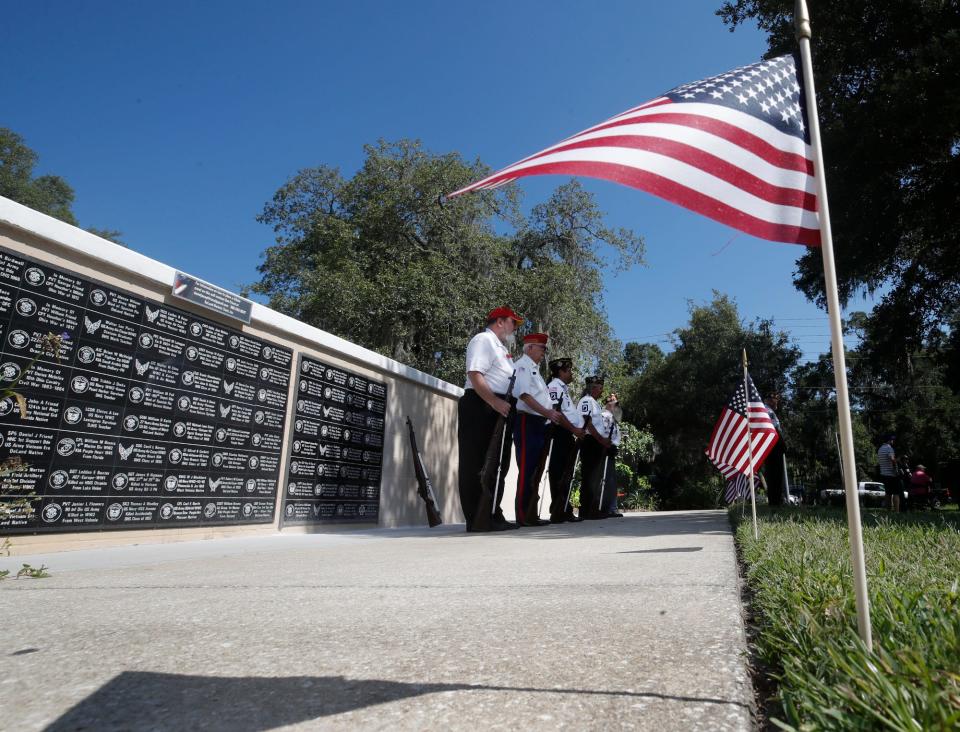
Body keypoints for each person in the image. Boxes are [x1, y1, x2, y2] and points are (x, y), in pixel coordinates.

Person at [458, 306, 523, 532]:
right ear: (500, 321)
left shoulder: (501, 348)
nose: (514, 328)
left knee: (498, 464)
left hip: (499, 408)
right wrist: (494, 402)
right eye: (512, 323)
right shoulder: (483, 340)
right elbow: (475, 374)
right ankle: (477, 516)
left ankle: (493, 512)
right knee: (477, 463)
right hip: (481, 404)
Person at [511, 333, 563, 526]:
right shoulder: (523, 366)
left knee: (536, 470)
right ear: (530, 347)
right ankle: (523, 515)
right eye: (542, 348)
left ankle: (531, 512)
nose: (544, 352)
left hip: (539, 423)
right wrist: (547, 413)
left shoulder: (535, 370)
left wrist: (547, 416)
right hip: (527, 422)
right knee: (527, 468)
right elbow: (524, 396)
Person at [546, 357, 586, 523]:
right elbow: (557, 414)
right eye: (569, 370)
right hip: (559, 432)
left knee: (566, 472)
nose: (571, 374)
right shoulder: (554, 386)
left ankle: (564, 508)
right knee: (559, 472)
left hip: (567, 433)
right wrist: (574, 429)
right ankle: (558, 508)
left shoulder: (563, 388)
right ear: (561, 372)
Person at [577, 375, 613, 519]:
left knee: (595, 477)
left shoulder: (594, 402)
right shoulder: (586, 400)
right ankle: (586, 509)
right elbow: (588, 423)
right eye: (599, 387)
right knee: (589, 476)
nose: (602, 390)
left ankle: (592, 507)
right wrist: (601, 439)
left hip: (596, 442)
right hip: (590, 441)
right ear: (593, 388)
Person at [599, 393, 624, 518]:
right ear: (608, 403)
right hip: (606, 449)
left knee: (611, 480)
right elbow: (602, 433)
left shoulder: (612, 417)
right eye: (614, 402)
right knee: (607, 480)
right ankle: (607, 508)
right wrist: (607, 446)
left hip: (611, 449)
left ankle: (612, 508)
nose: (616, 405)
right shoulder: (604, 416)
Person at [877, 434, 900, 512]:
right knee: (896, 493)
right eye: (892, 440)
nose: (893, 441)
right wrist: (898, 460)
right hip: (891, 474)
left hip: (883, 474)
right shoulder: (889, 448)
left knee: (888, 493)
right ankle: (897, 511)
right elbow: (892, 459)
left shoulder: (880, 449)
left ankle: (888, 510)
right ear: (889, 441)